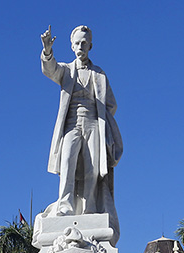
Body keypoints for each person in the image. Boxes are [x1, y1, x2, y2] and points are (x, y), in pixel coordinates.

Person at [40, 24, 122, 219]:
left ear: (90, 46)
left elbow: (111, 104)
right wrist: (47, 51)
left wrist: (101, 119)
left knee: (92, 168)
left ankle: (90, 206)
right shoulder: (66, 70)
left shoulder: (99, 74)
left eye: (84, 43)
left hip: (93, 123)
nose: (80, 47)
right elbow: (50, 70)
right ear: (71, 46)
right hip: (72, 124)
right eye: (77, 43)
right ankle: (65, 205)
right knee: (67, 163)